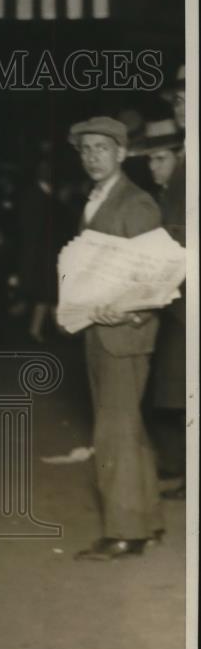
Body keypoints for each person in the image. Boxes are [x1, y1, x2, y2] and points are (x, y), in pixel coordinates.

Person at [67, 118, 163, 561]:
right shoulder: (96, 199)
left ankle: (125, 532)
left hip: (124, 332)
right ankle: (149, 520)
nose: (92, 156)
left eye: (102, 148)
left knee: (114, 432)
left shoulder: (135, 202)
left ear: (122, 153)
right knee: (128, 430)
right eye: (85, 149)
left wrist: (130, 309)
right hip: (98, 328)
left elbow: (157, 273)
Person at [132, 117, 186, 499]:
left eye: (161, 158)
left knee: (178, 391)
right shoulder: (166, 194)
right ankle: (179, 469)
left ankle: (185, 474)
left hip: (183, 309)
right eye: (150, 160)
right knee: (172, 392)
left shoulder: (181, 194)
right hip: (172, 307)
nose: (154, 167)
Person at [16, 159, 73, 343]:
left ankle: (49, 328)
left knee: (49, 293)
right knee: (47, 293)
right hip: (42, 254)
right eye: (44, 169)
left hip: (48, 253)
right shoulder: (36, 196)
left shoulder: (47, 195)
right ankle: (48, 329)